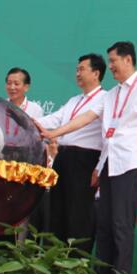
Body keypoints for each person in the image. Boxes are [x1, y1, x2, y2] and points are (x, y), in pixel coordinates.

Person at [45, 41, 137, 274]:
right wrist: (54, 133)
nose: (111, 66)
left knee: (121, 225)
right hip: (108, 164)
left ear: (128, 59)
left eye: (113, 61)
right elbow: (87, 118)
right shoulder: (112, 94)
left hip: (130, 164)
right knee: (104, 225)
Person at [36, 53, 107, 249]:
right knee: (57, 210)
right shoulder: (74, 100)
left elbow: (85, 123)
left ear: (96, 73)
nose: (77, 73)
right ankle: (53, 258)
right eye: (76, 69)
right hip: (64, 156)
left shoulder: (105, 98)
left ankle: (76, 260)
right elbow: (55, 118)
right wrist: (29, 121)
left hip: (85, 160)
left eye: (81, 69)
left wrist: (99, 167)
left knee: (78, 213)